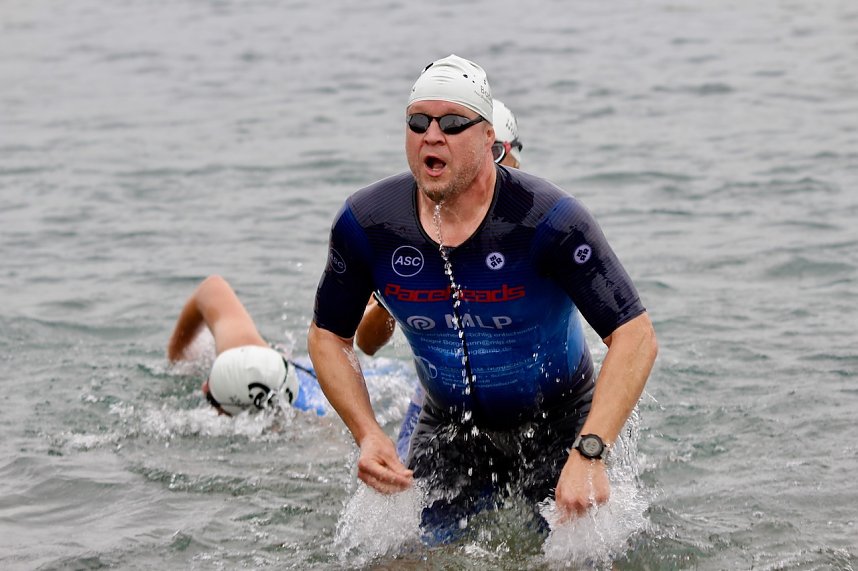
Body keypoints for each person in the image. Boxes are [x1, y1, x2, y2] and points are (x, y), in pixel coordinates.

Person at [307, 54, 658, 539]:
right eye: (418, 122)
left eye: (451, 123)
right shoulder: (368, 224)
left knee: (583, 555)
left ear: (488, 137)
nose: (432, 135)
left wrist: (590, 451)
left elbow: (635, 335)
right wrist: (366, 433)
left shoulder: (548, 220)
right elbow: (329, 336)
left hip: (562, 419)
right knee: (407, 554)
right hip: (450, 427)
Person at [355, 97, 525, 459]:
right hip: (438, 403)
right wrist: (393, 299)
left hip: (528, 406)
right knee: (401, 493)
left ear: (512, 158)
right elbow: (366, 344)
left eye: (494, 152)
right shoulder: (415, 237)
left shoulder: (538, 228)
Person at [168, 275, 327, 416]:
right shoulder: (238, 347)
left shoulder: (318, 417)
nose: (203, 387)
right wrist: (177, 357)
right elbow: (212, 287)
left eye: (212, 398)